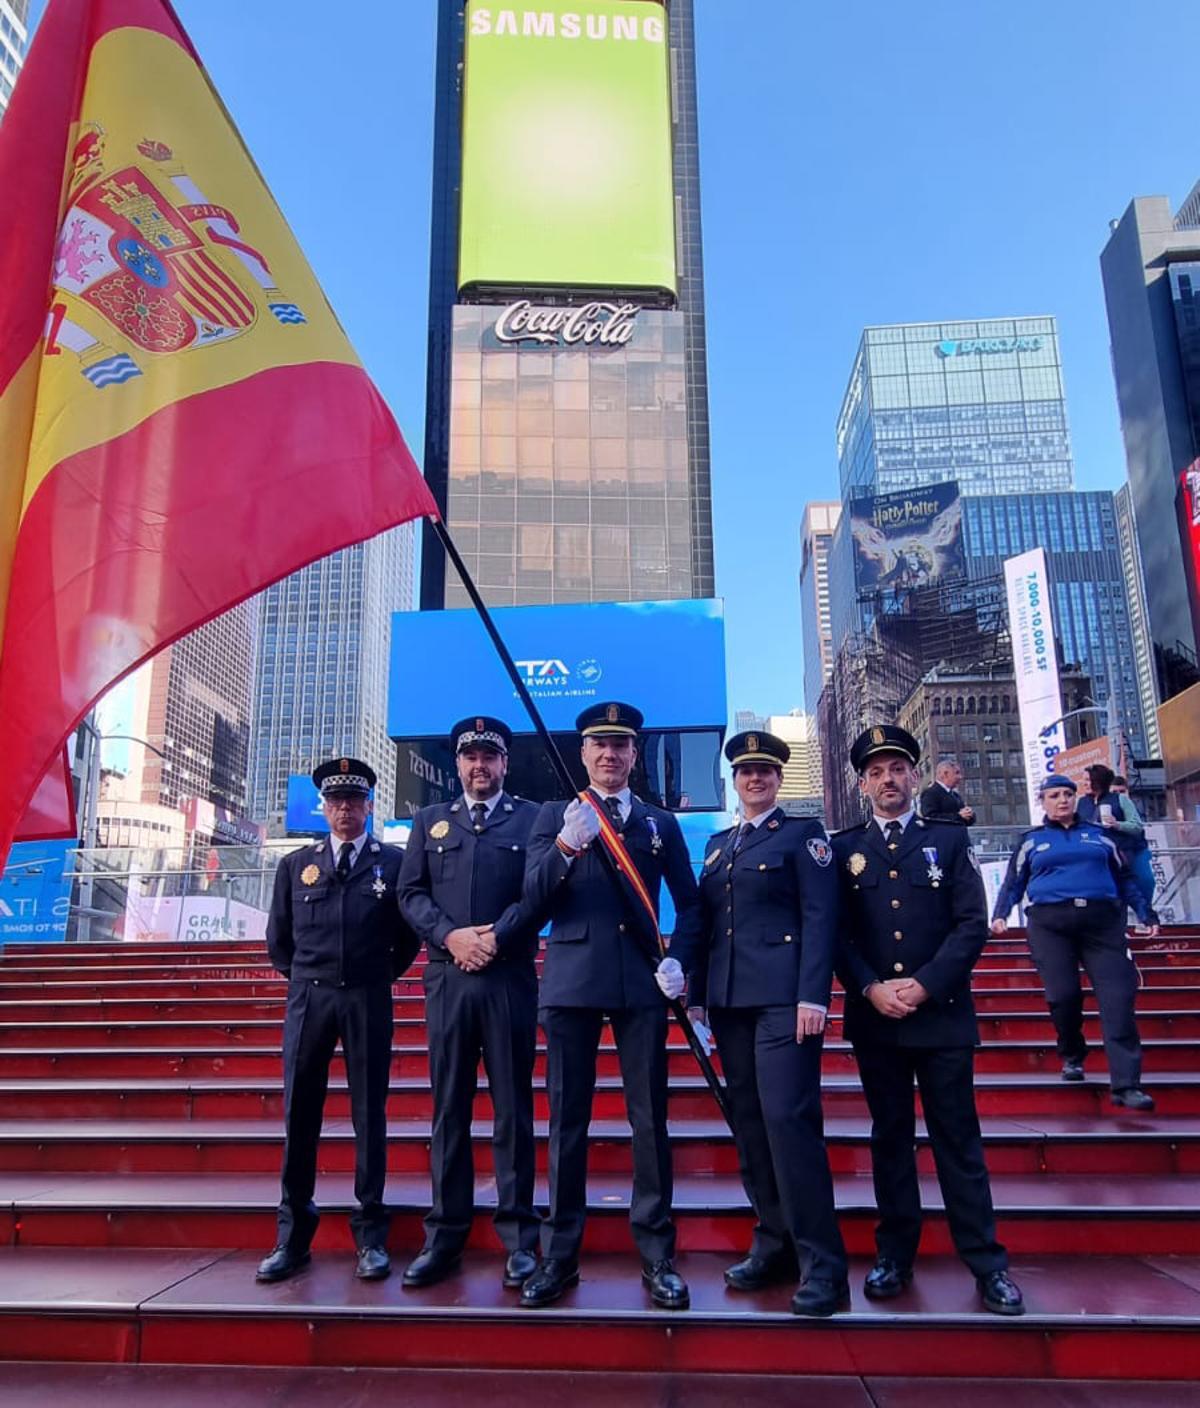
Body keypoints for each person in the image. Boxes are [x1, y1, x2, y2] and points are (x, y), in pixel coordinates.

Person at [833, 725, 1023, 1317]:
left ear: (915, 776)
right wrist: (868, 987)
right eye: (877, 771)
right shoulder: (843, 849)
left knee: (958, 1142)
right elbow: (835, 932)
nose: (889, 779)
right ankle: (895, 1254)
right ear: (863, 783)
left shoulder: (949, 839)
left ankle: (987, 1263)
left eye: (898, 769)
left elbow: (971, 923)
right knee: (889, 1140)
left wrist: (924, 984)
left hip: (939, 1015)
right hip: (877, 1019)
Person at [519, 701, 699, 1310]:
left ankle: (656, 1253)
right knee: (568, 1122)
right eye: (599, 744)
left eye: (621, 744)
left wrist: (683, 962)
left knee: (650, 1121)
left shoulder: (658, 823)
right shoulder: (555, 816)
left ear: (635, 753)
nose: (610, 754)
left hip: (640, 982)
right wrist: (567, 846)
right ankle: (559, 1255)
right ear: (583, 753)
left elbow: (691, 905)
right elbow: (533, 899)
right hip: (570, 981)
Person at [670, 731, 849, 1317]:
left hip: (782, 1003)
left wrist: (813, 995)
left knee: (788, 1125)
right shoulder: (721, 845)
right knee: (748, 1125)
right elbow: (710, 922)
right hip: (729, 1003)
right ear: (734, 779)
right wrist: (696, 995)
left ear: (778, 778)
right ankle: (773, 1243)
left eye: (765, 771)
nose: (754, 780)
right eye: (745, 771)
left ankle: (823, 1265)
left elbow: (822, 919)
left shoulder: (803, 836)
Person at [258, 758, 418, 1284]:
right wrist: (309, 978)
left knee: (369, 1115)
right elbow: (279, 942)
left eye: (355, 800)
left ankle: (371, 1236)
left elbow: (407, 941)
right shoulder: (296, 865)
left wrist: (375, 975)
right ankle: (292, 1237)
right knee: (300, 1115)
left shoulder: (392, 865)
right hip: (311, 999)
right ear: (324, 807)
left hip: (368, 997)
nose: (345, 809)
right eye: (336, 801)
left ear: (369, 805)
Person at [398, 716, 543, 1291]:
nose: (479, 766)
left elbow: (539, 892)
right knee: (449, 1111)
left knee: (513, 1112)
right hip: (448, 981)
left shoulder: (531, 819)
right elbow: (410, 893)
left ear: (504, 763)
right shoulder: (430, 822)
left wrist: (495, 938)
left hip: (508, 978)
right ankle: (445, 1234)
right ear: (457, 765)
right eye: (469, 757)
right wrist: (451, 937)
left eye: (490, 757)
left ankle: (520, 1239)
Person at [991, 773, 1159, 1109]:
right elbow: (1014, 881)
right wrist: (1001, 913)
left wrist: (1146, 913)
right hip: (1050, 925)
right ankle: (1072, 1054)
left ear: (1075, 798)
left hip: (1103, 924)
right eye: (1054, 795)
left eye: (1067, 794)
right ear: (1043, 801)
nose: (1062, 801)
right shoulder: (1031, 841)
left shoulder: (1100, 837)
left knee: (1118, 998)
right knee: (1062, 995)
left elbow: (1125, 879)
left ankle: (1126, 1084)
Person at [1078, 764, 1155, 916]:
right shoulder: (1081, 803)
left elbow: (1137, 825)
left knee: (1144, 881)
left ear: (1098, 781)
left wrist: (1117, 824)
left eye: (1088, 780)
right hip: (1098, 853)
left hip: (1128, 851)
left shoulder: (1119, 800)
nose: (1084, 783)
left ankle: (1145, 916)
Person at [919, 759, 975, 826]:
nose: (960, 777)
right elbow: (930, 818)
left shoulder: (955, 795)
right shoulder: (930, 794)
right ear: (945, 774)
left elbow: (966, 820)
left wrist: (970, 815)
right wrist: (958, 816)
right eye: (957, 773)